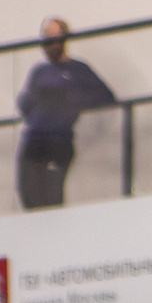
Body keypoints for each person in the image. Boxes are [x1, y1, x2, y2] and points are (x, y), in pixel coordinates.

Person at [16, 18, 115, 210]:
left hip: (58, 139)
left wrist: (69, 100)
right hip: (33, 139)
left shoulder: (77, 69)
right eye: (46, 39)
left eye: (54, 38)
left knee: (52, 193)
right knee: (28, 193)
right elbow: (25, 104)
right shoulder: (39, 71)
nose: (49, 44)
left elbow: (105, 97)